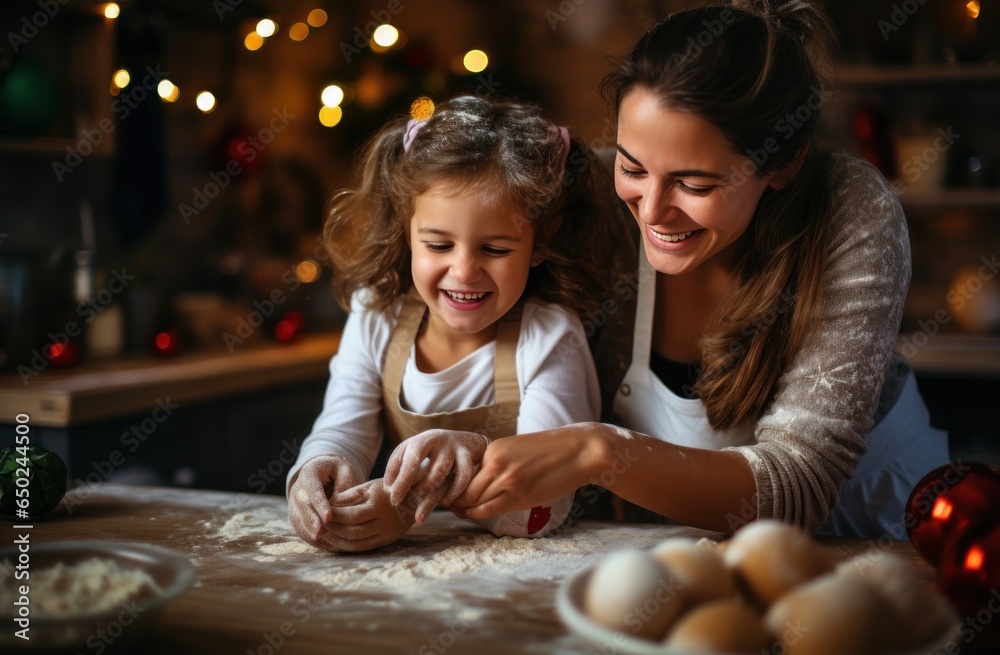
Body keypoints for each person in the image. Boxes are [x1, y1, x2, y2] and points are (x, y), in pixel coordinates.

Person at [449, 0, 950, 539]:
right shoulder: (591, 201)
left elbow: (800, 485)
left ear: (784, 162)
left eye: (695, 184)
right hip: (686, 540)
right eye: (632, 167)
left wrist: (597, 448)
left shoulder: (850, 209)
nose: (652, 209)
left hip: (869, 527)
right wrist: (456, 446)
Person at [286, 95, 631, 552]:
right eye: (439, 245)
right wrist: (319, 470)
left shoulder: (549, 337)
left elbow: (541, 510)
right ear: (406, 228)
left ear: (541, 240)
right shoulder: (376, 316)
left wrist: (415, 500)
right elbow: (342, 429)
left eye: (496, 249)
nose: (465, 271)